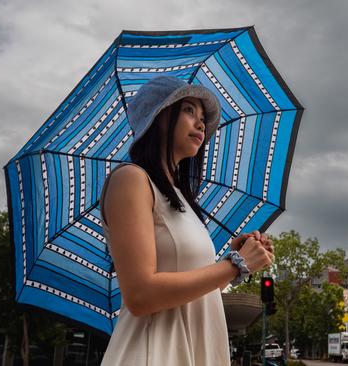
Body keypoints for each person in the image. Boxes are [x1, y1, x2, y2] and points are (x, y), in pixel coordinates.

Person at [99, 75, 274, 365]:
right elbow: (140, 295)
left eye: (203, 116)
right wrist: (233, 266)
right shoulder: (130, 179)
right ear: (160, 117)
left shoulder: (181, 200)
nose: (201, 123)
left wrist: (237, 258)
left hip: (193, 349)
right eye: (189, 110)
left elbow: (194, 292)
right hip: (154, 352)